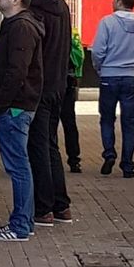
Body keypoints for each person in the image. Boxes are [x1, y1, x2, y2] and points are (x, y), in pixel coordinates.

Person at [0, 0, 44, 241]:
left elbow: (16, 70)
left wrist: (0, 103)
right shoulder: (18, 26)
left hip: (14, 107)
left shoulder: (21, 28)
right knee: (20, 165)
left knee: (18, 166)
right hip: (16, 105)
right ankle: (24, 221)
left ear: (16, 0)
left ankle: (19, 225)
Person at [16, 0, 73, 227]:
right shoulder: (61, 5)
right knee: (50, 144)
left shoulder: (33, 10)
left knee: (37, 146)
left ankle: (44, 208)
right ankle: (61, 204)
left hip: (39, 86)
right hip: (59, 85)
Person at [90, 0, 134, 178]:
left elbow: (97, 51)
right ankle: (128, 165)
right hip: (133, 78)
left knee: (107, 119)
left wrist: (101, 69)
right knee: (130, 123)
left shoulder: (107, 23)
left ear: (119, 1)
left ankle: (109, 153)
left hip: (109, 76)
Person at [60, 27, 85, 174]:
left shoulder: (43, 27)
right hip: (69, 80)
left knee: (47, 123)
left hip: (49, 82)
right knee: (69, 123)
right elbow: (79, 56)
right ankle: (74, 160)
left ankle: (49, 157)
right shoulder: (71, 32)